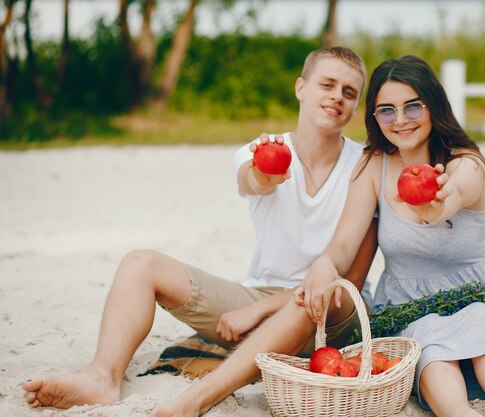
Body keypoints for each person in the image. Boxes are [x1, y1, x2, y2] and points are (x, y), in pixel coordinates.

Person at [22, 46, 378, 417]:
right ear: (301, 88)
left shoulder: (365, 163)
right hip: (259, 296)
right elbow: (254, 179)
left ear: (355, 107)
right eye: (328, 84)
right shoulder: (261, 149)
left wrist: (258, 311)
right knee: (140, 262)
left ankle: (194, 401)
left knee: (314, 301)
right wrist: (263, 174)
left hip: (333, 309)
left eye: (349, 92)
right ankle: (101, 378)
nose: (337, 96)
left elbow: (350, 276)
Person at [296, 55, 485, 417]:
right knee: (427, 338)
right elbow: (344, 243)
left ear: (433, 105)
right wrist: (325, 263)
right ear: (374, 117)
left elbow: (454, 193)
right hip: (406, 304)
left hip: (472, 296)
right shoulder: (374, 164)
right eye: (386, 110)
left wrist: (436, 203)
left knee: (483, 320)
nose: (401, 120)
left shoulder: (466, 162)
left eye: (412, 107)